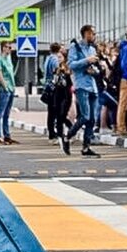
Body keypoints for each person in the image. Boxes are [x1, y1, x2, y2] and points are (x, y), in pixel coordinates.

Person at [67, 24, 102, 157]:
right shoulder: (75, 47)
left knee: (92, 119)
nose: (94, 36)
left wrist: (94, 71)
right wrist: (86, 60)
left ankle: (86, 147)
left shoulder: (92, 49)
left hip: (92, 86)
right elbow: (71, 65)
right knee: (85, 116)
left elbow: (97, 68)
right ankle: (69, 135)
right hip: (81, 86)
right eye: (92, 33)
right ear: (86, 34)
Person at [0, 42, 17, 144]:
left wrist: (12, 87)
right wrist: (5, 86)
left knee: (7, 114)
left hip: (11, 88)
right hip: (4, 89)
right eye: (9, 47)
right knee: (0, 113)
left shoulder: (9, 59)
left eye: (11, 48)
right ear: (3, 48)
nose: (10, 49)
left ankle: (7, 135)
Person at [43, 43, 63, 140]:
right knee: (54, 110)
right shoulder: (55, 59)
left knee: (51, 111)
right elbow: (56, 71)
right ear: (58, 49)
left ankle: (51, 132)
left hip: (48, 86)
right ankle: (53, 133)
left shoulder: (48, 58)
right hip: (53, 87)